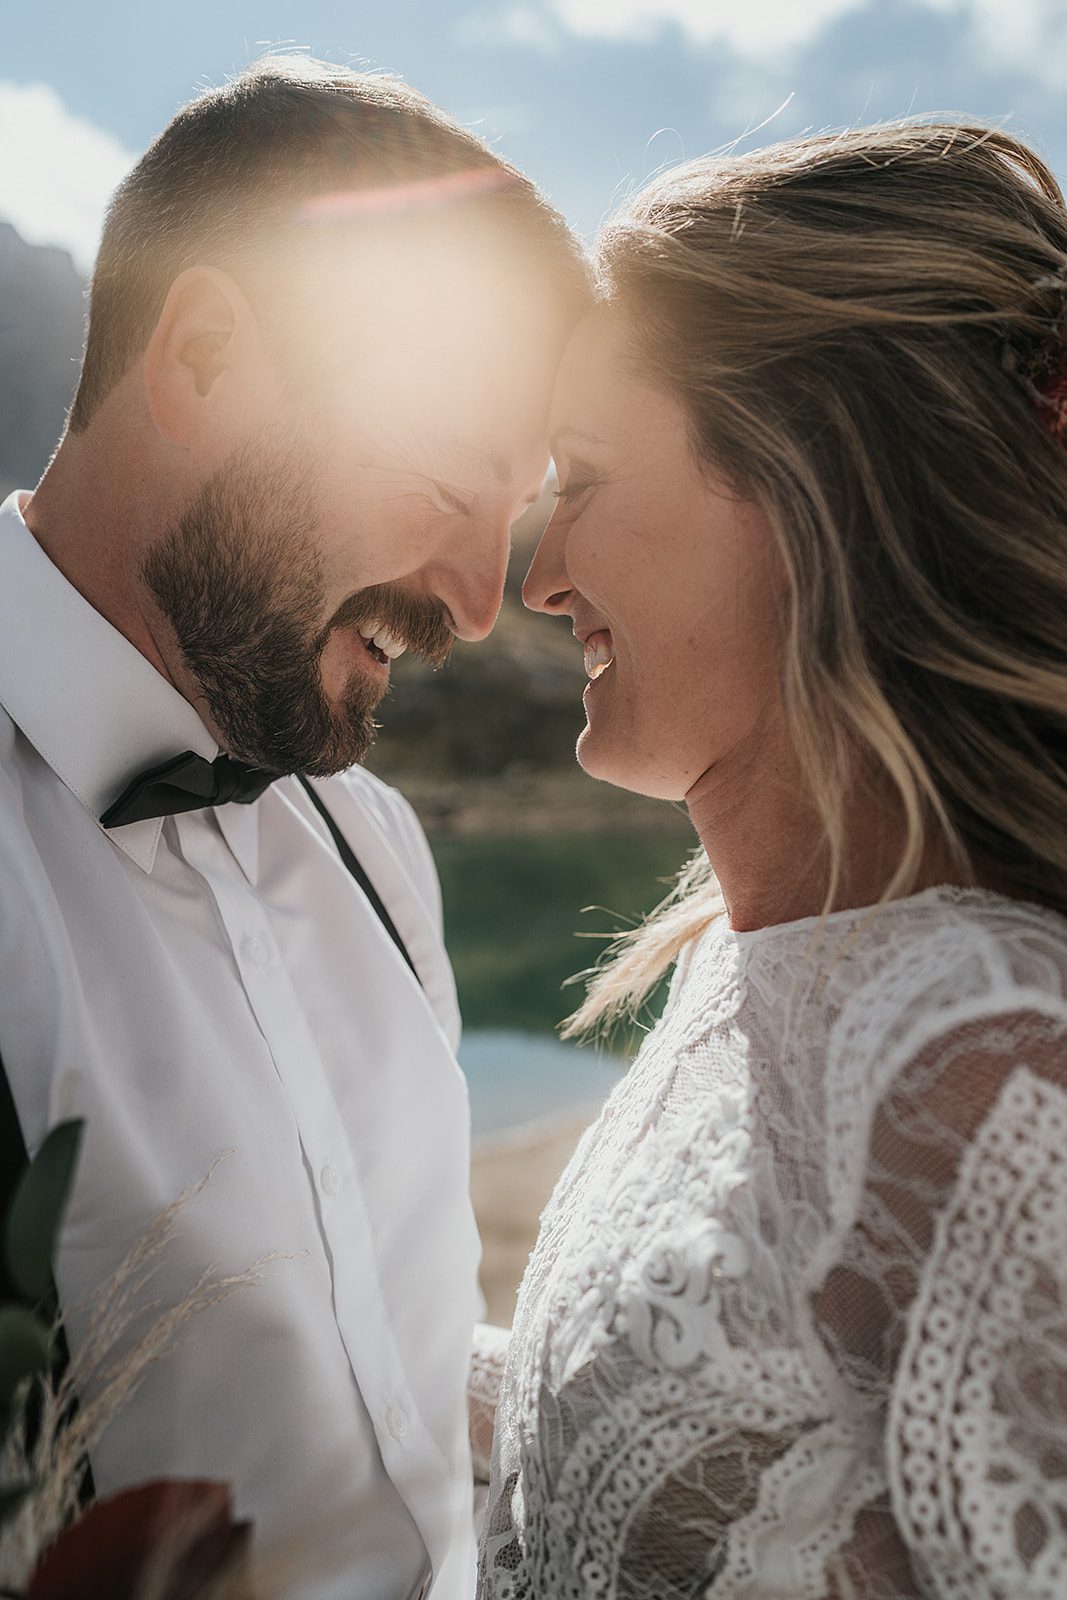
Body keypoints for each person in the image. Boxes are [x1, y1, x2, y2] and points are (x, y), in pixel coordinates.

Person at [0, 55, 587, 1600]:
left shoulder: (379, 846)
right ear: (197, 359)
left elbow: (371, 1356)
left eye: (513, 512)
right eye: (451, 477)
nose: (475, 600)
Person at [472, 120, 1067, 1599]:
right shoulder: (752, 968)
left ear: (808, 498)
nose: (542, 575)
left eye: (589, 477)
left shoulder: (996, 1082)